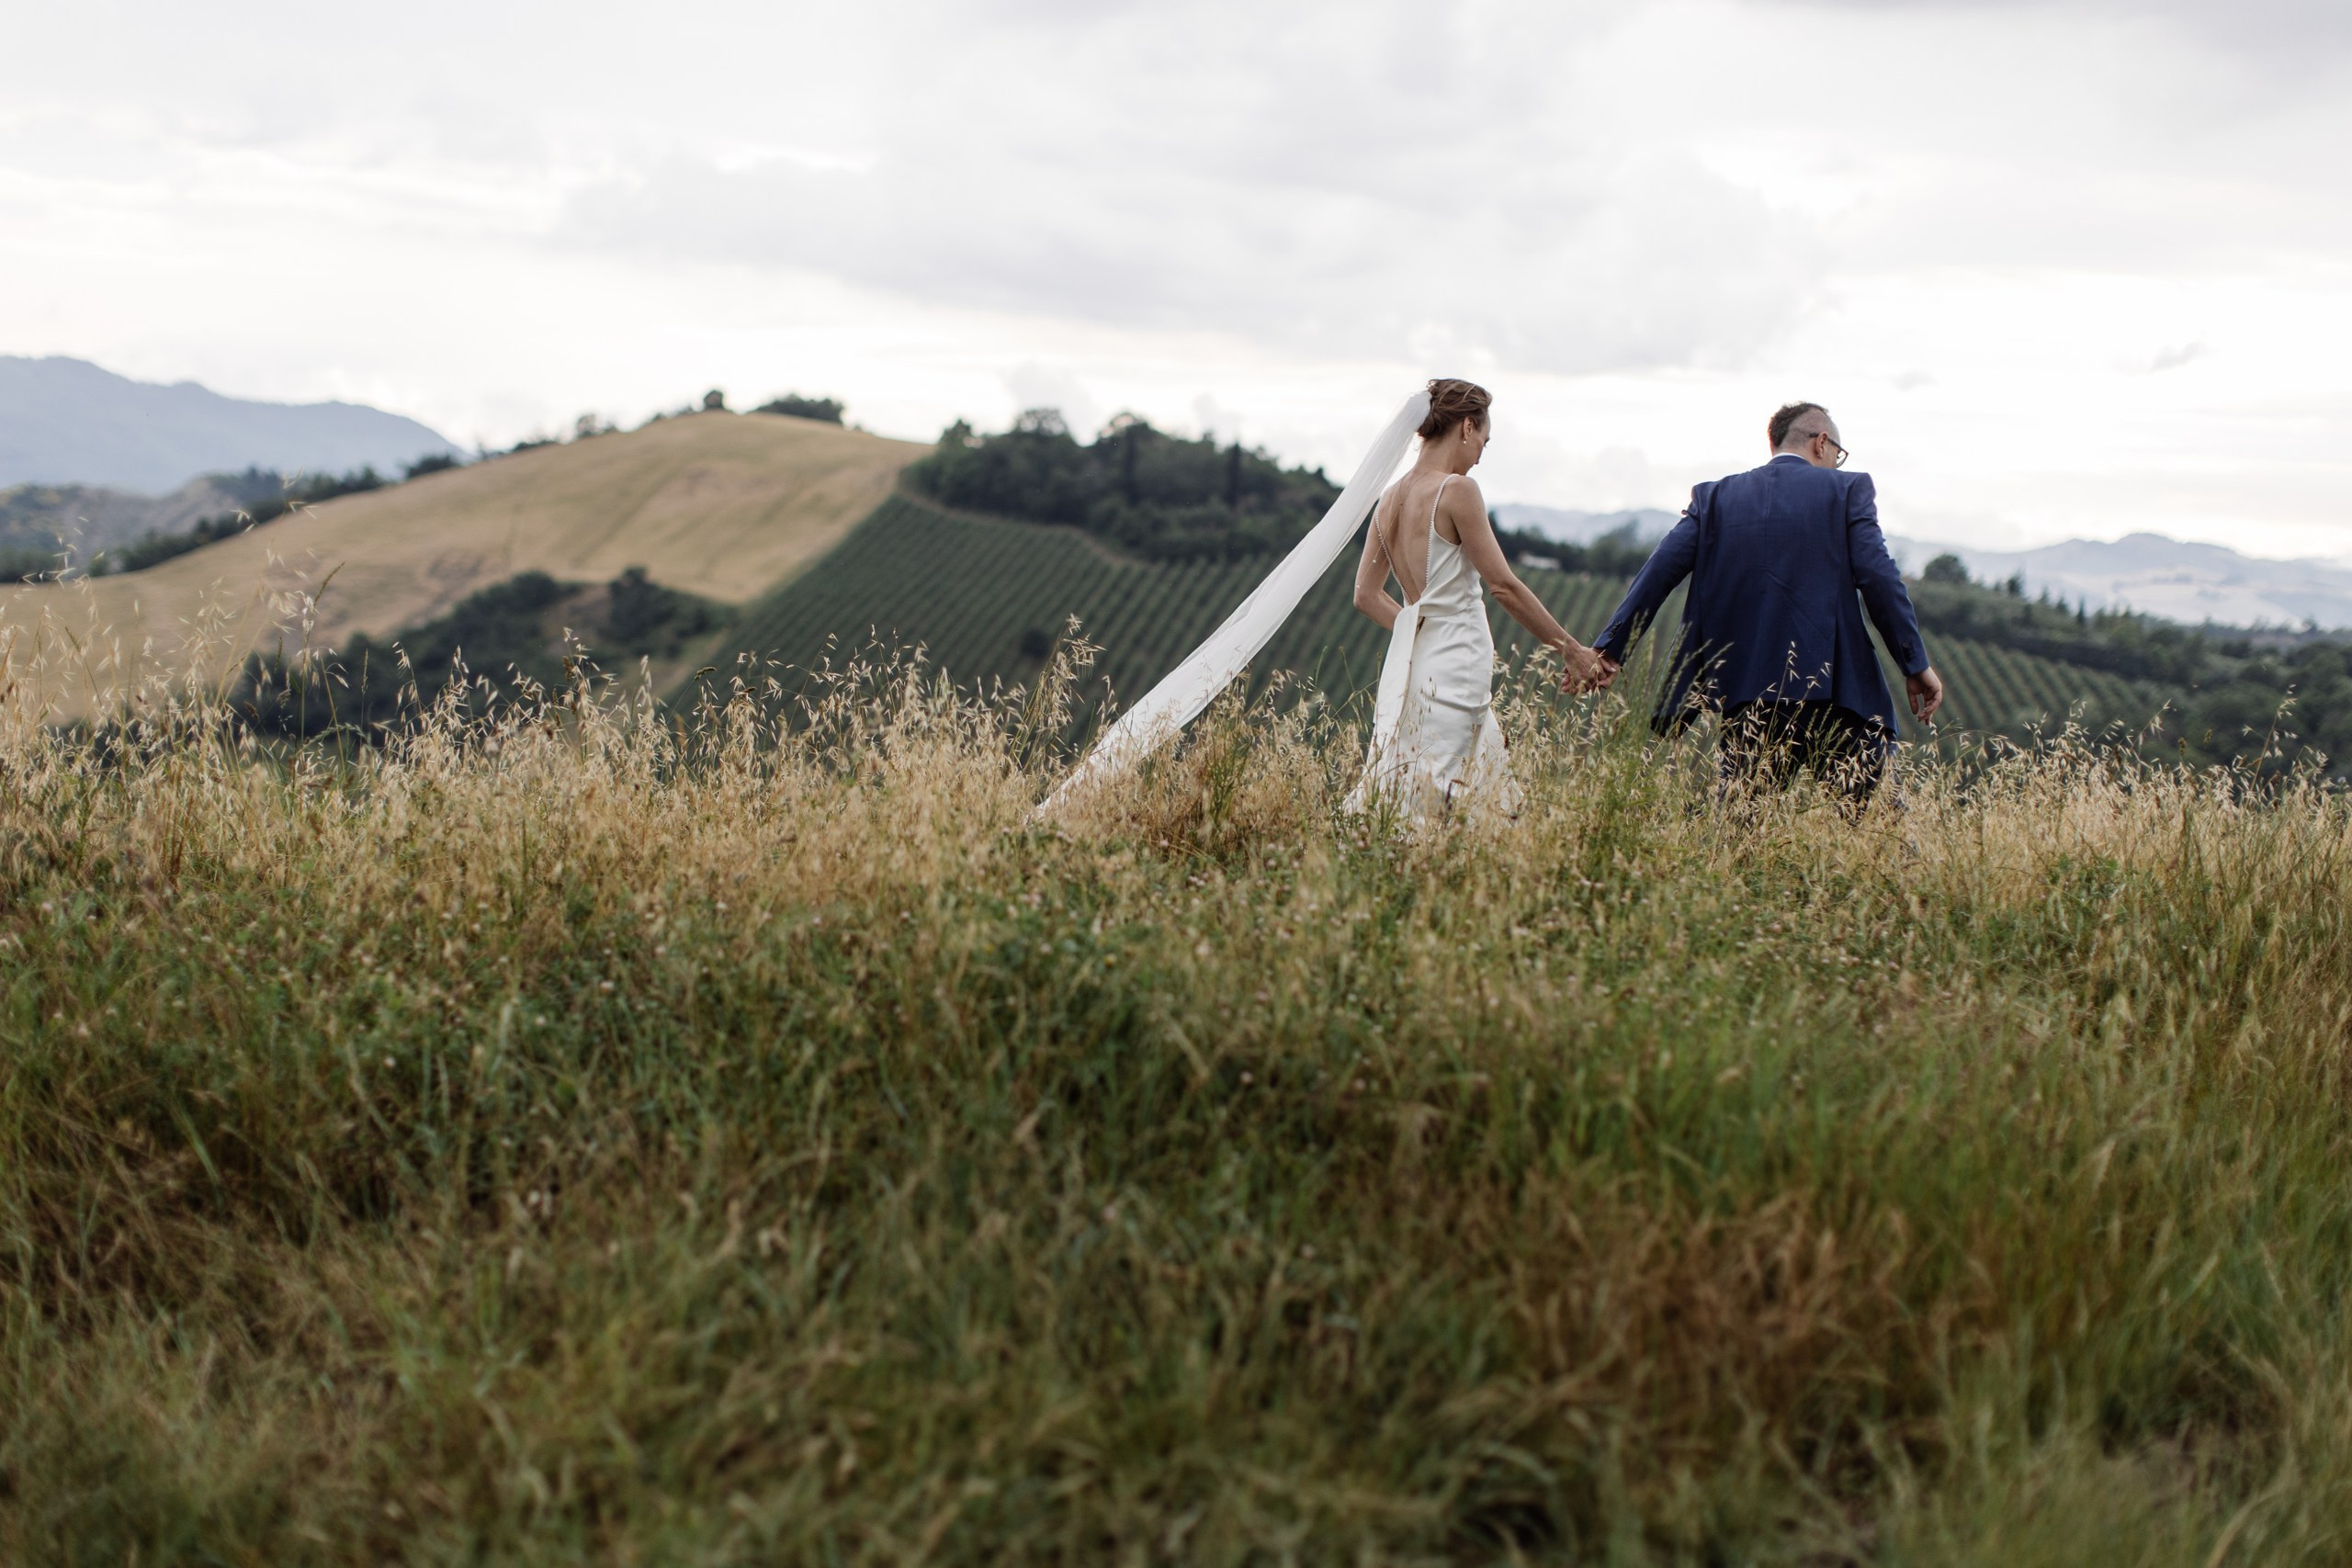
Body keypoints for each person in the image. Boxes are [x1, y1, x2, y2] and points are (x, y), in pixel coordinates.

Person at [1588, 402, 1944, 808]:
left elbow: (1657, 573)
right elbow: (1879, 578)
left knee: (1739, 840)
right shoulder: (1847, 490)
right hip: (1841, 696)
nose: (1837, 464)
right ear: (1822, 443)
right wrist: (1914, 664)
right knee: (1884, 835)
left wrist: (1608, 651)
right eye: (1838, 455)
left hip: (1750, 700)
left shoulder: (1715, 498)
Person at [1347, 378, 1606, 821]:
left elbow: (1366, 596)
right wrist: (1573, 651)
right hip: (1457, 663)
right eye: (1485, 438)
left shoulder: (1387, 500)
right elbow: (1504, 586)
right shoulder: (1457, 491)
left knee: (1430, 787)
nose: (1482, 451)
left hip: (1415, 666)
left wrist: (1418, 628)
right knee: (1447, 801)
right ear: (1467, 426)